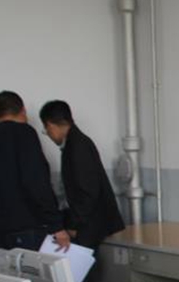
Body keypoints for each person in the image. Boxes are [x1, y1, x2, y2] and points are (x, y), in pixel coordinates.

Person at [0, 91, 69, 251]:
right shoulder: (24, 133)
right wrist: (56, 225)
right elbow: (36, 181)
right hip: (27, 230)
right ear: (23, 110)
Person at [39, 100, 125, 249]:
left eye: (46, 130)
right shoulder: (74, 143)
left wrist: (75, 224)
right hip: (88, 222)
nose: (49, 135)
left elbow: (88, 191)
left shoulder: (77, 146)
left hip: (89, 224)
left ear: (50, 125)